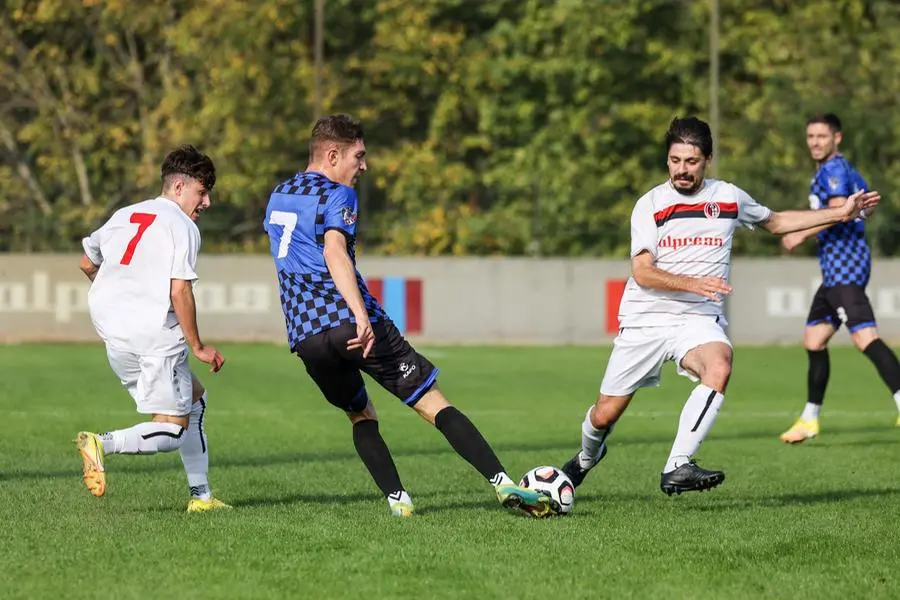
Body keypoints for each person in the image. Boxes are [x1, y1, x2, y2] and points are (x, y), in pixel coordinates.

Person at [559, 116, 880, 496]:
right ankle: (584, 458)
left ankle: (677, 465)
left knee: (720, 363)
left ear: (707, 159)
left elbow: (776, 222)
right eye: (675, 160)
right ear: (667, 160)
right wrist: (693, 282)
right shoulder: (651, 205)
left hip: (697, 319)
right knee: (604, 414)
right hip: (647, 319)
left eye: (691, 161)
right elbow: (643, 272)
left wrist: (841, 212)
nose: (682, 169)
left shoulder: (727, 197)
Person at [264, 114, 550, 517]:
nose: (363, 166)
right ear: (332, 155)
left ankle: (399, 503)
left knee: (360, 413)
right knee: (430, 401)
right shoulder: (338, 193)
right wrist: (360, 316)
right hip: (352, 324)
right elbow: (333, 252)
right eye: (358, 156)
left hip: (306, 336)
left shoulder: (279, 194)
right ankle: (503, 485)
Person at [75, 145, 230, 512]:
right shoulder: (182, 226)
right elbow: (180, 289)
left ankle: (202, 497)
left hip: (113, 333)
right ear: (179, 188)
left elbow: (86, 263)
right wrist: (198, 345)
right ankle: (101, 443)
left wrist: (123, 293)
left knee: (194, 399)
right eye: (202, 191)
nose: (206, 202)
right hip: (154, 336)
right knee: (173, 429)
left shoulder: (125, 214)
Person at [778, 113, 900, 442]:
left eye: (821, 136)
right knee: (814, 339)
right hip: (833, 270)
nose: (815, 142)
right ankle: (809, 419)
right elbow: (862, 207)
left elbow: (839, 213)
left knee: (865, 337)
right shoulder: (839, 169)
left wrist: (799, 233)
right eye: (810, 137)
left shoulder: (833, 170)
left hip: (845, 265)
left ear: (837, 138)